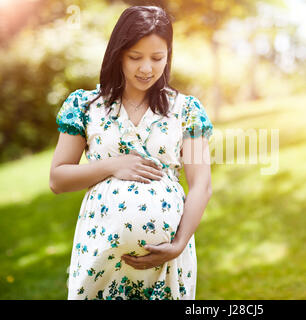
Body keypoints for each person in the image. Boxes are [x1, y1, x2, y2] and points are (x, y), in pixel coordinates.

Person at [49, 5, 213, 300]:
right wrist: (113, 165)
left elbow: (202, 184)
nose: (146, 68)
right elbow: (58, 179)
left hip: (168, 264)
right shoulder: (86, 107)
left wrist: (178, 243)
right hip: (100, 259)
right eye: (135, 57)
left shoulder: (187, 110)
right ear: (118, 54)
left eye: (157, 57)